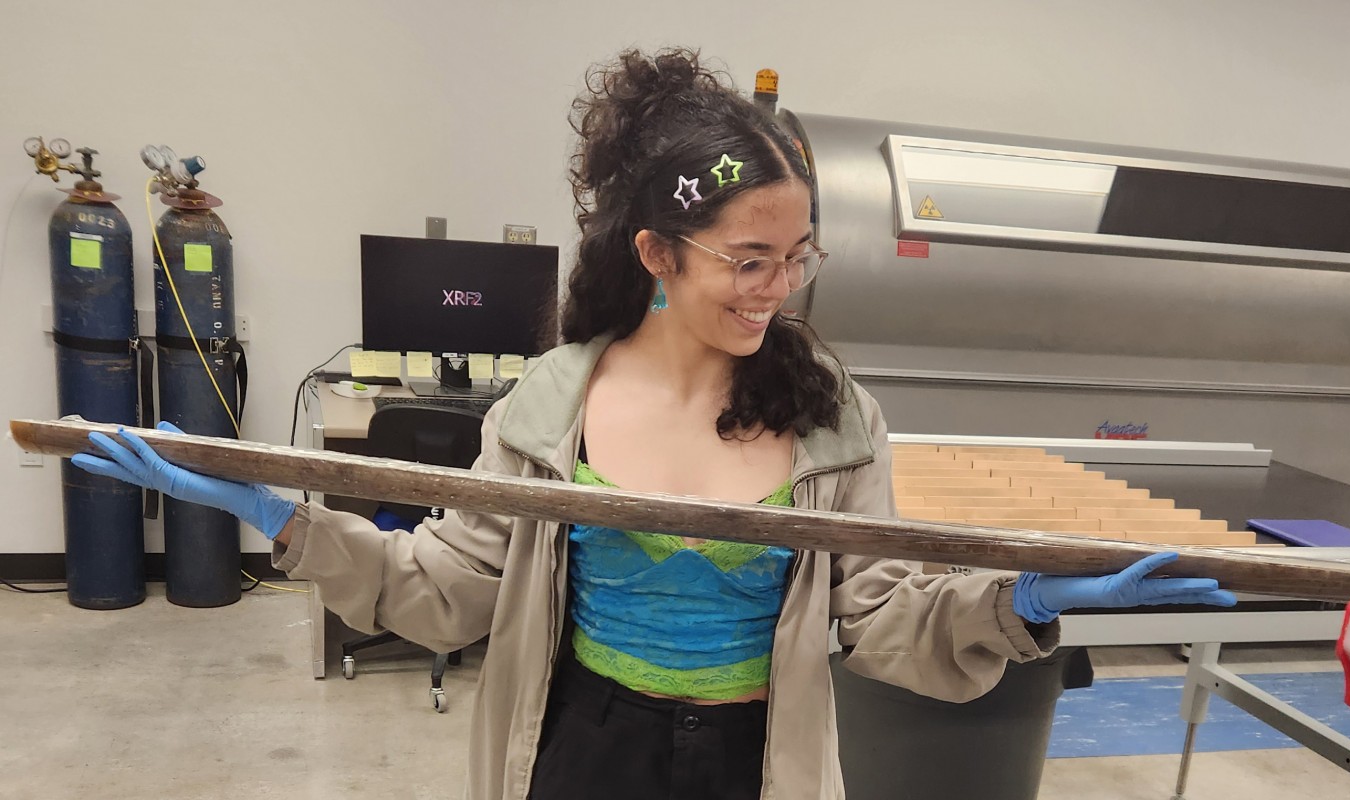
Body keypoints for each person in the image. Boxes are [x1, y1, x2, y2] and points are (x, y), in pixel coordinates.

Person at [72, 48, 1235, 800]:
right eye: (745, 258)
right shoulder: (551, 405)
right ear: (657, 255)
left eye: (794, 257)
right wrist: (282, 513)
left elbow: (882, 622)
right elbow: (439, 593)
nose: (775, 287)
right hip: (580, 748)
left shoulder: (834, 419)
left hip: (755, 759)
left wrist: (1019, 600)